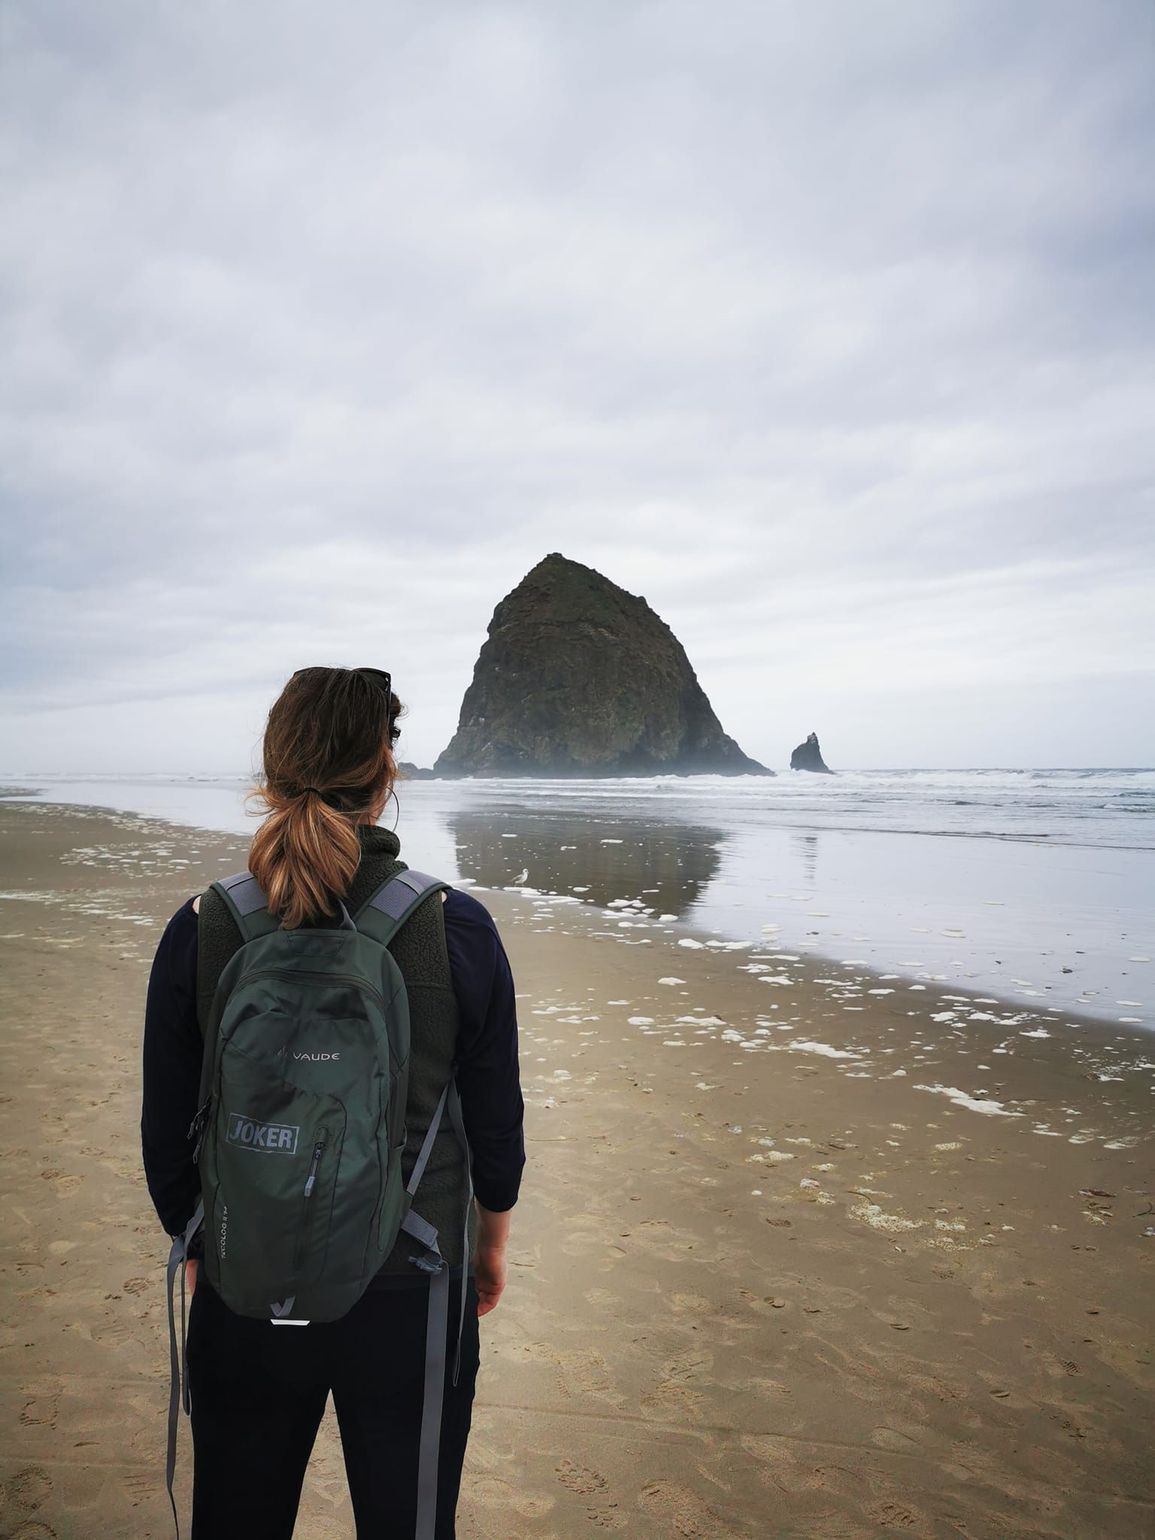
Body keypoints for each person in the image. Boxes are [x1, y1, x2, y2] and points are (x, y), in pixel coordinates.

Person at [141, 665, 526, 1539]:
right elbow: (496, 1123)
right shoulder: (453, 927)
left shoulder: (205, 926)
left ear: (272, 771)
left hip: (245, 1276)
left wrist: (201, 1243)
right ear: (386, 772)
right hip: (414, 1279)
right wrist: (488, 1243)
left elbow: (166, 1131)